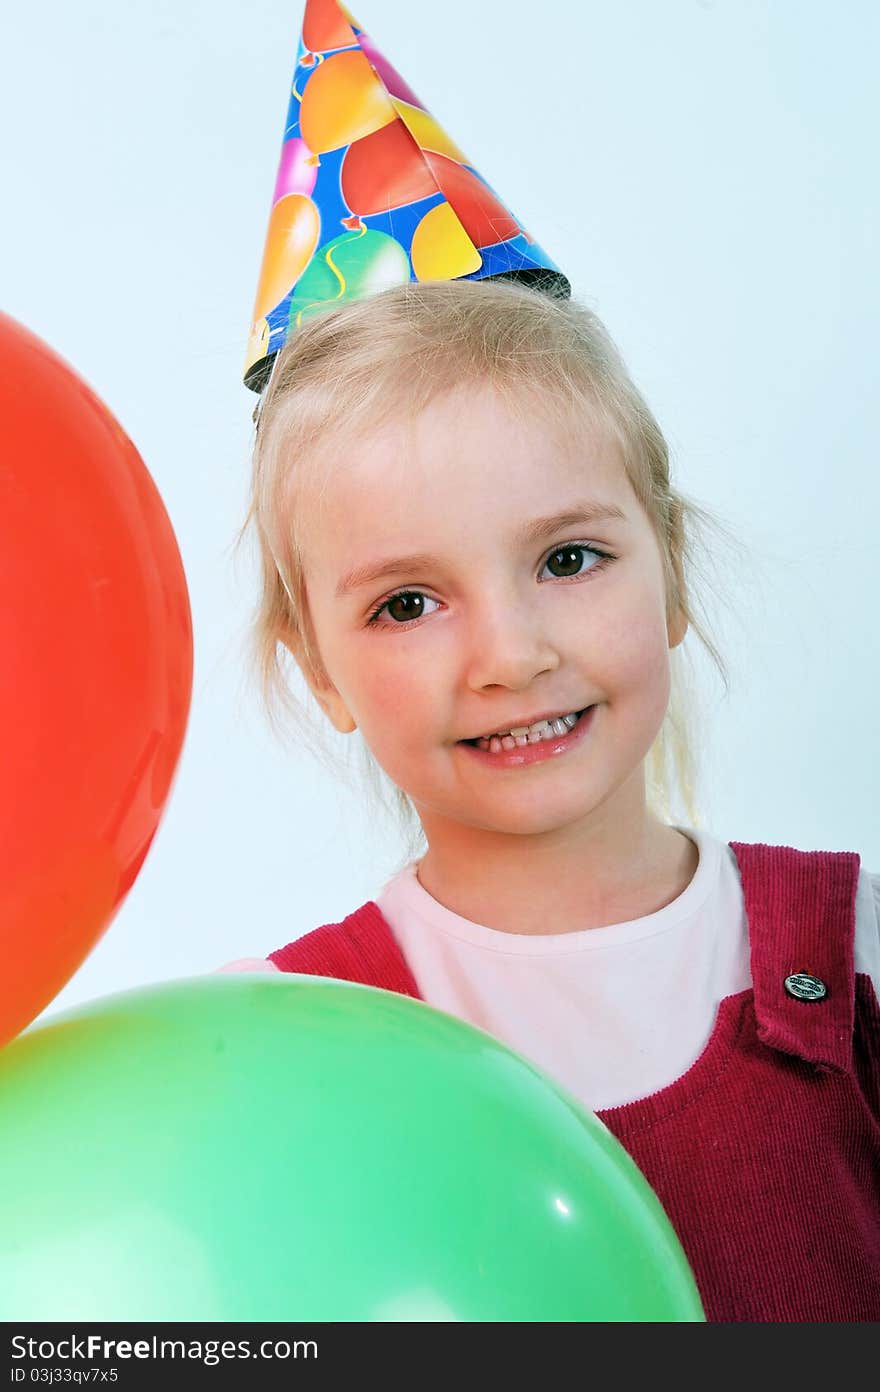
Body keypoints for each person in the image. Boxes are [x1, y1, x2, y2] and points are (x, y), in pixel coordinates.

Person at [222, 277, 880, 1321]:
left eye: (568, 559)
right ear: (317, 671)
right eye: (407, 603)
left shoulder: (852, 950)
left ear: (670, 569)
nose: (511, 656)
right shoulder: (277, 1046)